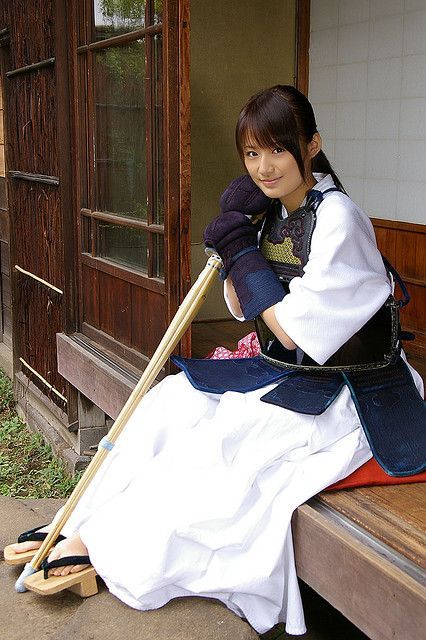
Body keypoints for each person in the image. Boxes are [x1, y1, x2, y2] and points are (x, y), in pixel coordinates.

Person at [9, 85, 425, 636]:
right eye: (252, 154)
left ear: (313, 145)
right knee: (167, 403)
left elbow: (294, 331)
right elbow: (240, 307)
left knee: (220, 440)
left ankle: (102, 544)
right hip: (290, 372)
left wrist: (242, 252)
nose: (264, 167)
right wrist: (241, 243)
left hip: (349, 388)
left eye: (278, 149)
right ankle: (82, 519)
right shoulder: (276, 212)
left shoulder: (339, 219)